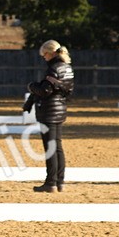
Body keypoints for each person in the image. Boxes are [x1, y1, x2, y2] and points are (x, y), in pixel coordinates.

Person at [23, 40, 74, 192]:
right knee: (58, 147)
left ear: (50, 53)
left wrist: (32, 86)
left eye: (44, 54)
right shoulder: (67, 68)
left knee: (50, 148)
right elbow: (68, 90)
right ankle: (60, 181)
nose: (43, 57)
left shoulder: (53, 68)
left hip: (49, 111)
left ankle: (51, 182)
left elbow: (45, 90)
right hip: (60, 110)